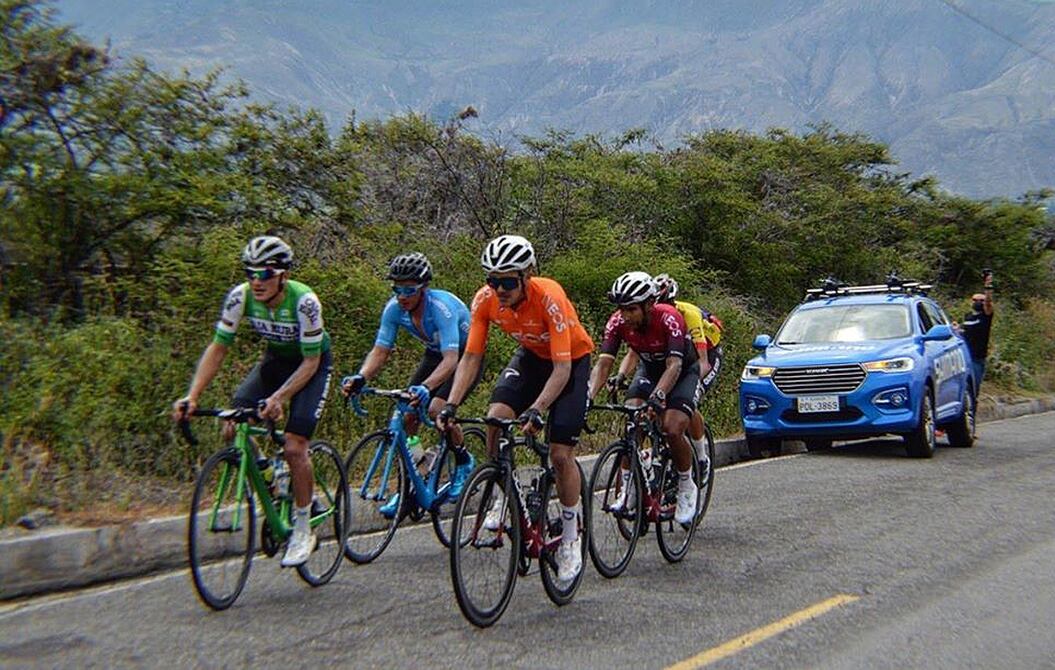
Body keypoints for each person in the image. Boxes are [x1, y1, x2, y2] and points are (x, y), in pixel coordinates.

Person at [436, 234, 593, 582]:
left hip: (570, 362)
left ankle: (571, 537)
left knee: (560, 454)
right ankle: (500, 489)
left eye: (507, 282)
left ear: (527, 275)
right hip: (531, 357)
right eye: (492, 281)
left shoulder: (550, 297)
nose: (499, 290)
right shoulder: (485, 300)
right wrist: (451, 404)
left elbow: (562, 369)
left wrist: (537, 409)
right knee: (495, 417)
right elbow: (471, 357)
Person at [173, 235, 332, 567]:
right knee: (233, 424)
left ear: (283, 275)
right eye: (250, 273)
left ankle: (303, 528)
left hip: (311, 365)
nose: (256, 281)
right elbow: (218, 347)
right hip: (275, 362)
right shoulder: (240, 296)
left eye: (265, 273)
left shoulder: (305, 302)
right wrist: (192, 395)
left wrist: (279, 398)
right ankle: (270, 476)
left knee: (294, 446)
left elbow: (311, 362)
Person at [340, 253, 478, 514]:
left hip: (465, 356)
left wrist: (426, 387)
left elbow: (451, 361)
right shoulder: (394, 309)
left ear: (423, 288)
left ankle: (463, 459)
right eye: (397, 289)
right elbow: (381, 351)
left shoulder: (441, 309)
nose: (402, 296)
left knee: (437, 410)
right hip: (434, 354)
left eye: (409, 290)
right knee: (407, 415)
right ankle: (414, 479)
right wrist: (361, 376)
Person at [588, 271, 700, 525]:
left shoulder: (669, 318)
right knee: (633, 422)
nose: (625, 316)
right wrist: (588, 396)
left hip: (682, 371)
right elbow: (604, 364)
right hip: (649, 370)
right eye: (621, 309)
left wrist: (658, 396)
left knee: (672, 428)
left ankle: (686, 485)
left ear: (649, 305)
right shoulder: (617, 322)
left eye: (631, 309)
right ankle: (628, 490)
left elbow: (674, 366)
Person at [609, 273, 718, 480]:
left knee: (686, 404)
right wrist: (621, 375)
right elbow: (634, 353)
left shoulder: (687, 315)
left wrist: (688, 393)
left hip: (703, 354)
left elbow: (702, 362)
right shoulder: (644, 320)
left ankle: (701, 455)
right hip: (665, 360)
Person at [960, 269, 995, 394]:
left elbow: (989, 303)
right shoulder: (968, 317)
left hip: (976, 358)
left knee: (973, 389)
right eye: (975, 300)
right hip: (963, 356)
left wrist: (988, 284)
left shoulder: (985, 316)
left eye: (981, 300)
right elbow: (963, 331)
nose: (978, 302)